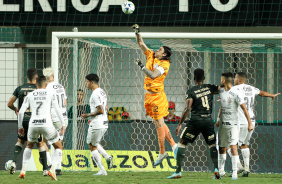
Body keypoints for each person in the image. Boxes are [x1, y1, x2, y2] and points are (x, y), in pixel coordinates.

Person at [132, 24, 177, 166]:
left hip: (157, 96)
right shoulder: (151, 55)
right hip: (149, 96)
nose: (156, 50)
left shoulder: (164, 65)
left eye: (160, 50)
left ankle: (162, 152)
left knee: (158, 124)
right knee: (159, 123)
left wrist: (141, 66)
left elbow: (152, 75)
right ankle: (174, 145)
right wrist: (137, 32)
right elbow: (140, 43)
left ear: (163, 54)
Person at [167, 68, 221, 179]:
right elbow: (221, 89)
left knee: (182, 142)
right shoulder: (210, 87)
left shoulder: (191, 91)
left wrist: (180, 124)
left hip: (196, 120)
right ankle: (216, 169)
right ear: (204, 78)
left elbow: (188, 109)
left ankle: (178, 171)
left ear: (194, 78)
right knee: (211, 144)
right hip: (208, 120)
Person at [225, 72, 280, 177]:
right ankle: (246, 168)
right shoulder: (251, 88)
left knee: (228, 144)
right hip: (251, 121)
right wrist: (272, 95)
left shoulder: (234, 89)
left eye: (235, 78)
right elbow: (262, 93)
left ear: (240, 80)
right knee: (244, 144)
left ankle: (238, 167)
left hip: (240, 121)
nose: (234, 80)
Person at [18, 76, 66, 181]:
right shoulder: (50, 94)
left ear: (36, 84)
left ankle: (23, 171)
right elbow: (57, 109)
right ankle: (53, 170)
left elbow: (21, 112)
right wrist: (63, 123)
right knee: (58, 147)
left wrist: (20, 126)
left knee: (29, 146)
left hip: (33, 124)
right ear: (46, 85)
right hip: (47, 124)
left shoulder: (30, 95)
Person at [7, 68, 48, 175]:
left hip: (23, 119)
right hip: (35, 119)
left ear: (26, 77)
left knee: (20, 141)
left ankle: (13, 163)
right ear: (36, 77)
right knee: (40, 143)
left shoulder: (20, 88)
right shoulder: (38, 89)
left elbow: (9, 103)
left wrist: (15, 109)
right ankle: (45, 169)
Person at [215, 72, 253, 180]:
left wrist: (249, 123)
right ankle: (221, 172)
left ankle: (235, 173)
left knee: (233, 147)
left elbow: (244, 108)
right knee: (222, 147)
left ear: (223, 81)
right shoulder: (221, 92)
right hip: (223, 124)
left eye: (221, 79)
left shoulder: (236, 93)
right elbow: (222, 106)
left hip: (234, 125)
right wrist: (218, 119)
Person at [81, 74, 113, 176]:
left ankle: (102, 171)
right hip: (104, 122)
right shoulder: (102, 92)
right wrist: (92, 118)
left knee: (92, 146)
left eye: (87, 82)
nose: (86, 84)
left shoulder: (95, 94)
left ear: (92, 82)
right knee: (94, 143)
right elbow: (106, 107)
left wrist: (88, 115)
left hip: (98, 123)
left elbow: (101, 110)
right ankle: (107, 157)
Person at [43, 67, 67, 175]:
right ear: (53, 76)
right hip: (63, 117)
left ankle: (49, 163)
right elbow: (65, 102)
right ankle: (58, 168)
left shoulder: (47, 88)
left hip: (53, 117)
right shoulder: (60, 86)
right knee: (59, 143)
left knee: (43, 141)